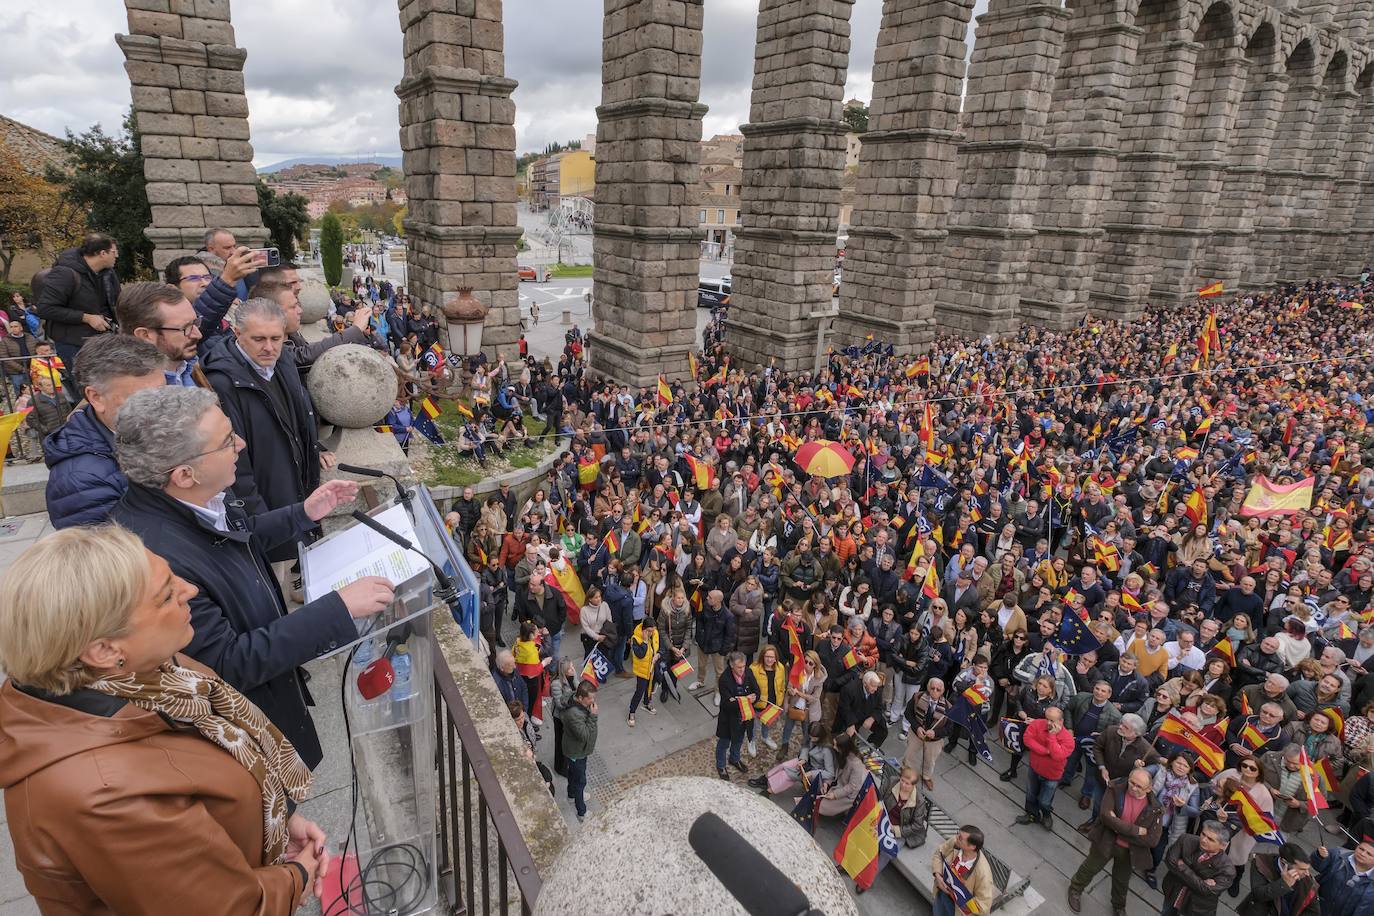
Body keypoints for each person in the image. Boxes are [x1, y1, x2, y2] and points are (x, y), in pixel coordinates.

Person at [0, 526, 328, 912]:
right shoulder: (104, 794)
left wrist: (273, 822)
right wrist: (297, 877)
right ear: (104, 649)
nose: (189, 590)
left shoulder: (145, 674)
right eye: (167, 595)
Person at [109, 386, 395, 768]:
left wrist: (302, 514)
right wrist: (337, 609)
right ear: (184, 474)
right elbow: (227, 664)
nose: (241, 444)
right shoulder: (158, 560)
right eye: (226, 441)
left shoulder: (185, 502)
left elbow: (236, 540)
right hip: (248, 739)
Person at [201, 298, 329, 541]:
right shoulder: (222, 382)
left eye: (276, 338)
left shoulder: (282, 361)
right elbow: (235, 464)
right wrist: (262, 525)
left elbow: (294, 421)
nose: (269, 347)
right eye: (258, 339)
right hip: (266, 519)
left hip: (294, 502)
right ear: (238, 333)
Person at [43, 334, 167, 528]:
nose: (160, 407)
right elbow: (109, 556)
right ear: (96, 397)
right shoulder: (80, 482)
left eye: (162, 393)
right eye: (142, 399)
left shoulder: (143, 431)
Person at [1066, 768, 1163, 916]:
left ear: (1149, 788)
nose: (1133, 787)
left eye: (1139, 786)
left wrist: (1117, 825)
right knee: (1090, 867)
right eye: (1132, 782)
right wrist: (1137, 830)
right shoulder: (1115, 788)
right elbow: (1105, 816)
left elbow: (1152, 839)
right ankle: (1075, 889)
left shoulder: (1155, 808)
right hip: (1107, 840)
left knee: (1121, 881)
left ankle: (1118, 906)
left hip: (1129, 851)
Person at [33, 232, 120, 385]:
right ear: (102, 253)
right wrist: (86, 317)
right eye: (114, 251)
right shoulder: (65, 273)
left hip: (105, 341)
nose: (117, 255)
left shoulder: (108, 273)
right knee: (91, 390)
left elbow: (117, 302)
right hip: (75, 346)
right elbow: (45, 308)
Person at [1015, 705, 1074, 830]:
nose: (1048, 722)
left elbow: (1058, 756)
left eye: (1052, 720)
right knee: (1030, 795)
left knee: (1044, 801)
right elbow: (1027, 739)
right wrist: (1046, 751)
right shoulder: (1037, 724)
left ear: (1060, 721)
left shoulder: (1068, 739)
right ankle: (1032, 815)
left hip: (1052, 775)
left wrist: (1052, 737)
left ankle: (1046, 815)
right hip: (1034, 768)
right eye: (1047, 718)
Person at [1160, 822, 1236, 916]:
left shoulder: (1227, 870)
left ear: (1222, 846)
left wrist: (1183, 867)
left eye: (1210, 839)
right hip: (1173, 891)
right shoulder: (1186, 839)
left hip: (1196, 905)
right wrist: (1201, 882)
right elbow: (1170, 860)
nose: (1203, 840)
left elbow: (1207, 890)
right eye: (1203, 834)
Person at [1237, 844, 1319, 916]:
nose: (1307, 873)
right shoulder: (1262, 863)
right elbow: (1258, 894)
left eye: (1307, 869)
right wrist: (1283, 884)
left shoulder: (1308, 881)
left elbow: (1313, 911)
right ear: (1284, 862)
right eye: (1302, 869)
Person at [930, 825, 995, 916]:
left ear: (972, 846)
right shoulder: (955, 842)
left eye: (960, 837)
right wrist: (937, 875)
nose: (956, 837)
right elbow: (938, 854)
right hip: (941, 895)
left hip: (957, 910)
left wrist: (965, 907)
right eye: (957, 834)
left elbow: (984, 903)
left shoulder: (983, 873)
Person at [558, 680, 598, 822]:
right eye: (590, 698)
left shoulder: (578, 701)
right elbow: (584, 735)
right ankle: (581, 812)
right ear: (580, 698)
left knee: (572, 774)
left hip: (575, 749)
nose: (592, 701)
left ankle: (571, 795)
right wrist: (593, 716)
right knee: (580, 781)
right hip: (576, 751)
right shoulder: (574, 714)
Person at [715, 651, 759, 779]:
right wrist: (746, 699)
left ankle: (734, 759)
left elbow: (757, 691)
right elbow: (727, 704)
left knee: (739, 740)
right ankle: (721, 765)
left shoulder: (748, 673)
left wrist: (750, 698)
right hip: (728, 719)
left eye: (743, 666)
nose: (742, 670)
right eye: (739, 667)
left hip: (744, 718)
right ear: (731, 665)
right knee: (724, 743)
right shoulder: (724, 679)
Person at [904, 677, 952, 791]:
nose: (935, 691)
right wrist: (917, 727)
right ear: (928, 688)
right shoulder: (917, 697)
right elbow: (908, 713)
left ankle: (926, 776)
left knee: (930, 761)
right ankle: (907, 772)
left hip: (934, 741)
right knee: (910, 755)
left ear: (943, 691)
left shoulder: (948, 708)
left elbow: (949, 729)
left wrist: (935, 733)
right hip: (916, 735)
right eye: (933, 688)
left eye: (938, 689)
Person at [1311, 838, 1374, 916]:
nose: (1363, 854)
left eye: (1369, 854)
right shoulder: (1338, 854)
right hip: (1317, 909)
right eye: (1361, 849)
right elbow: (1318, 866)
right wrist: (1319, 856)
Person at [833, 669, 888, 747]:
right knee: (847, 739)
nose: (875, 689)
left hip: (867, 712)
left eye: (876, 686)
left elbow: (879, 707)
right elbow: (845, 709)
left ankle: (870, 746)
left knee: (883, 730)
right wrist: (851, 724)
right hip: (852, 715)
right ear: (865, 683)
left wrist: (873, 718)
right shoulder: (849, 689)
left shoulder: (877, 689)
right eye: (873, 686)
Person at [627, 617, 659, 727]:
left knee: (649, 688)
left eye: (653, 630)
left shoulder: (655, 633)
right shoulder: (636, 639)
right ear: (644, 629)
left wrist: (658, 654)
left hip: (651, 668)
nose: (651, 633)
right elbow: (640, 655)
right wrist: (645, 642)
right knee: (639, 691)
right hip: (642, 671)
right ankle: (632, 712)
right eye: (649, 631)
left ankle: (647, 703)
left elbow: (659, 646)